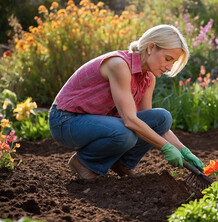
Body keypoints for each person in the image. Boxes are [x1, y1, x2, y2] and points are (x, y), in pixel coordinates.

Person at [48, 25, 204, 179]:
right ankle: (84, 163)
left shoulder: (148, 78)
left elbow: (152, 127)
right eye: (167, 59)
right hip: (65, 120)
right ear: (151, 47)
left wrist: (184, 151)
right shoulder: (119, 65)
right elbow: (130, 120)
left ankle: (123, 163)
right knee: (125, 134)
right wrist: (166, 147)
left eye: (173, 62)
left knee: (161, 118)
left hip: (96, 123)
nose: (169, 67)